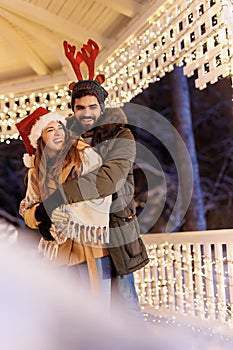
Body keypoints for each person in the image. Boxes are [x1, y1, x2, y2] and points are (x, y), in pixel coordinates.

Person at [33, 39, 149, 314]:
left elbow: (107, 181)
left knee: (125, 309)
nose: (86, 113)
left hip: (113, 235)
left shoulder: (120, 135)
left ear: (102, 106)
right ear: (73, 109)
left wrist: (56, 200)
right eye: (80, 107)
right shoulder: (65, 141)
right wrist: (42, 214)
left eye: (92, 106)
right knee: (85, 315)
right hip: (74, 241)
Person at [16, 107, 113, 302]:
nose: (57, 132)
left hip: (90, 243)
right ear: (40, 139)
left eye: (60, 126)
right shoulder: (36, 173)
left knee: (96, 308)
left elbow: (100, 193)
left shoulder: (84, 157)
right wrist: (40, 215)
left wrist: (57, 210)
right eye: (49, 129)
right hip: (56, 250)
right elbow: (28, 208)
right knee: (65, 311)